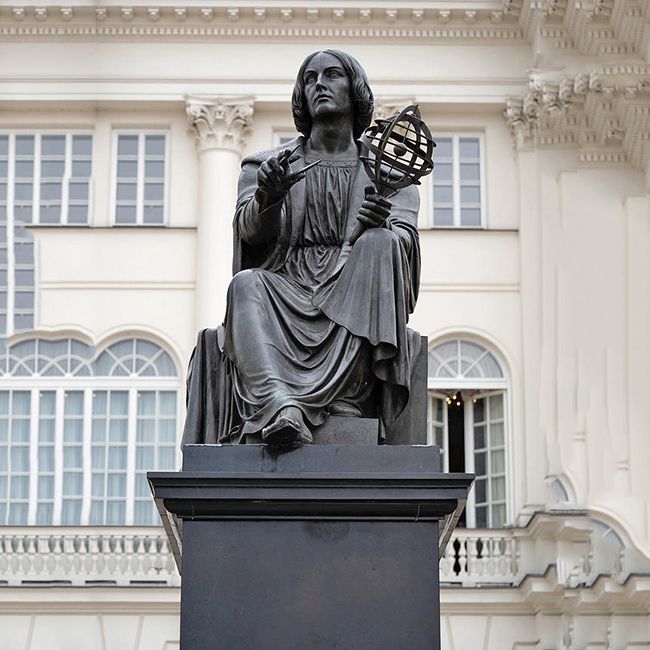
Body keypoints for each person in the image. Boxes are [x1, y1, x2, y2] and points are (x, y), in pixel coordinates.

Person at [182, 49, 421, 449]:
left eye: (331, 76)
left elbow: (405, 244)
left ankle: (347, 395)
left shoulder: (388, 174)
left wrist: (380, 227)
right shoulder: (267, 166)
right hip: (288, 286)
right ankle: (280, 406)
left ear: (355, 89)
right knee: (246, 285)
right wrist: (268, 199)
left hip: (354, 283)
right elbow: (249, 234)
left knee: (381, 244)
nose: (319, 85)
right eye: (310, 80)